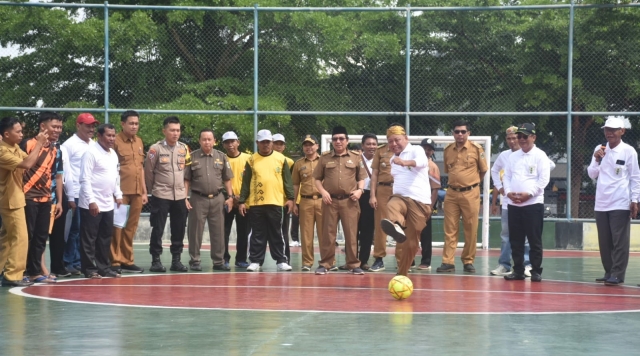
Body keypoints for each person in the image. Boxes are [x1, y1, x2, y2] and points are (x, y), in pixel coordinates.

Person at [587, 116, 640, 286]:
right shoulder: (600, 149)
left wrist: (635, 200)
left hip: (620, 201)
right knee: (605, 241)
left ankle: (618, 273)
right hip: (601, 202)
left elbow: (635, 177)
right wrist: (596, 159)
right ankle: (609, 271)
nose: (609, 133)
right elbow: (591, 174)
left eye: (613, 130)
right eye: (606, 130)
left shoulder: (629, 151)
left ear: (622, 131)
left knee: (619, 241)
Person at [0, 116, 48, 287]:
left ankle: (1, 271)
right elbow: (27, 164)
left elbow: (30, 159)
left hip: (16, 198)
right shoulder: (2, 151)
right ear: (6, 134)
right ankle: (13, 275)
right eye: (18, 131)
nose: (21, 134)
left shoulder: (12, 147)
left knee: (6, 238)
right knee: (20, 237)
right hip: (9, 200)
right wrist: (40, 144)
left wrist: (39, 143)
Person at [238, 129, 294, 272]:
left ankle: (281, 260)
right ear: (257, 143)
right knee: (257, 233)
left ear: (272, 143)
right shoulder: (251, 160)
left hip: (276, 202)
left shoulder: (281, 159)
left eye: (268, 142)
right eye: (262, 142)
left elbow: (287, 181)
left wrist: (290, 198)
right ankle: (255, 261)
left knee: (277, 232)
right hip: (256, 203)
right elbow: (246, 182)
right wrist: (242, 201)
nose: (265, 145)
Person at [313, 126, 366, 275]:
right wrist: (323, 192)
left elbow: (361, 178)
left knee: (351, 234)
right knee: (328, 235)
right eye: (335, 139)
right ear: (332, 141)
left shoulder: (356, 157)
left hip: (350, 201)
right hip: (330, 201)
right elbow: (317, 179)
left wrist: (360, 191)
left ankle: (354, 264)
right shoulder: (324, 158)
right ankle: (325, 264)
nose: (338, 141)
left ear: (347, 141)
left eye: (341, 138)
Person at [380, 126, 432, 276]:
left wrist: (404, 162)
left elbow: (422, 162)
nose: (394, 144)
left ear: (406, 139)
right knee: (392, 204)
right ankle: (396, 226)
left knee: (411, 243)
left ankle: (402, 275)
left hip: (420, 202)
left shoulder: (416, 150)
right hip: (401, 197)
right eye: (390, 141)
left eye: (397, 140)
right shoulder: (391, 159)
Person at [438, 120, 488, 273]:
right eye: (457, 131)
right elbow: (448, 170)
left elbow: (483, 170)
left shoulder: (476, 149)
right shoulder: (448, 150)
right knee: (450, 229)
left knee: (471, 228)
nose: (460, 134)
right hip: (452, 193)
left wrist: (472, 184)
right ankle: (448, 262)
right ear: (453, 133)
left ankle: (468, 260)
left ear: (468, 133)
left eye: (463, 131)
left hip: (470, 193)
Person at [503, 123, 550, 282]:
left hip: (533, 204)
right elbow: (506, 177)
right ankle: (518, 270)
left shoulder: (540, 155)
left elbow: (543, 180)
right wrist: (509, 192)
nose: (521, 140)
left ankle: (536, 270)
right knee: (515, 240)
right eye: (519, 136)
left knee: (534, 239)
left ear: (533, 137)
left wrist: (528, 194)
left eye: (525, 136)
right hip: (514, 204)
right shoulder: (512, 157)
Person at [144, 116, 191, 273]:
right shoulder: (155, 149)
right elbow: (148, 172)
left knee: (178, 228)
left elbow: (186, 172)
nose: (175, 133)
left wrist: (185, 194)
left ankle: (176, 260)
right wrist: (153, 190)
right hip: (161, 194)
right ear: (164, 131)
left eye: (178, 130)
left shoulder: (183, 148)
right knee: (158, 228)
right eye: (172, 130)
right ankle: (156, 260)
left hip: (179, 195)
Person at [23, 112, 64, 283]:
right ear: (42, 126)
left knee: (41, 237)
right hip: (27, 196)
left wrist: (57, 200)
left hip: (46, 198)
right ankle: (21, 271)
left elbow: (55, 175)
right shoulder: (27, 144)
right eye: (54, 126)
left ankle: (34, 272)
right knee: (27, 236)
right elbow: (20, 167)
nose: (57, 130)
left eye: (60, 127)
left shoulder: (55, 149)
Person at [185, 129, 234, 271]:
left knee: (218, 231)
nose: (207, 142)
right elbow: (186, 180)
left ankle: (218, 261)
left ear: (214, 141)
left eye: (209, 139)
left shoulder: (222, 157)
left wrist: (230, 197)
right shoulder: (192, 157)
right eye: (204, 139)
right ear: (200, 141)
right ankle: (195, 260)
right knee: (195, 231)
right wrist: (184, 197)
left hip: (218, 198)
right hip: (197, 198)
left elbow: (227, 179)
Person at [78, 124, 123, 279]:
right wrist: (91, 201)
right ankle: (89, 269)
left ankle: (104, 267)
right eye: (108, 135)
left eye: (113, 135)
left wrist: (118, 194)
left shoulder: (113, 154)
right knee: (89, 238)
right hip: (92, 203)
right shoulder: (90, 153)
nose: (112, 139)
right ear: (99, 136)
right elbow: (84, 179)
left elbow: (115, 177)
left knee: (105, 237)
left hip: (108, 203)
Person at [490, 126, 532, 276]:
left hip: (528, 202)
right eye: (509, 138)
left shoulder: (532, 153)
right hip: (509, 203)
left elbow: (549, 165)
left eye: (515, 137)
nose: (512, 141)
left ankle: (527, 265)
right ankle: (504, 265)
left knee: (526, 235)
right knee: (506, 234)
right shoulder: (504, 155)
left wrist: (532, 187)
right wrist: (500, 188)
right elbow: (494, 171)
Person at [62, 113, 99, 275]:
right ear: (78, 126)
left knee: (85, 230)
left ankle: (78, 261)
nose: (91, 129)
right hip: (76, 192)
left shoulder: (94, 144)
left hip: (89, 193)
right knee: (74, 229)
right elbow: (65, 172)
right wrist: (70, 195)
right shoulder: (69, 145)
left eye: (93, 126)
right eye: (87, 125)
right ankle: (68, 261)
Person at [110, 110, 146, 274]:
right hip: (121, 192)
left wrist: (144, 192)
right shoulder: (115, 141)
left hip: (137, 192)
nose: (134, 126)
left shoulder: (139, 141)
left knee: (131, 227)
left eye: (136, 123)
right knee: (117, 227)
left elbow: (141, 168)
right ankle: (115, 260)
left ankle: (127, 260)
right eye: (131, 123)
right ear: (122, 124)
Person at [369, 125, 400, 272]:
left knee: (401, 224)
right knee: (381, 224)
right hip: (382, 190)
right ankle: (379, 258)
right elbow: (374, 174)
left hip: (400, 191)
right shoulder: (381, 151)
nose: (393, 142)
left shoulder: (408, 151)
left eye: (397, 138)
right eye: (390, 138)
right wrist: (373, 195)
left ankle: (403, 258)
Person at [292, 135, 323, 271]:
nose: (308, 147)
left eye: (311, 144)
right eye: (305, 145)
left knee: (325, 233)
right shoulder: (299, 163)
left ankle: (327, 261)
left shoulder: (324, 161)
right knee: (306, 234)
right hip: (305, 201)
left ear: (317, 146)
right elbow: (295, 184)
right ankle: (307, 262)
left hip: (323, 201)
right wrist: (294, 203)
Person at [221, 131, 251, 269]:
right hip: (227, 201)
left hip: (243, 202)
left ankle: (241, 259)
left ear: (238, 142)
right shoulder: (221, 159)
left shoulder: (248, 158)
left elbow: (252, 180)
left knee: (243, 231)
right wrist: (230, 197)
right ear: (223, 145)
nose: (230, 144)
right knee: (224, 231)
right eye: (227, 142)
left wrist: (242, 198)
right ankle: (224, 258)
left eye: (233, 141)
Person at [418, 138, 441, 270]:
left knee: (425, 234)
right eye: (424, 148)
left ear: (432, 151)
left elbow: (435, 189)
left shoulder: (432, 167)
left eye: (429, 149)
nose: (426, 151)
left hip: (425, 204)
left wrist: (429, 207)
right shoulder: (413, 163)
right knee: (410, 233)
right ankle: (410, 260)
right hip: (412, 202)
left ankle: (426, 261)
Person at [356, 133, 378, 270]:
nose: (372, 146)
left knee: (367, 230)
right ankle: (351, 260)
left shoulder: (380, 160)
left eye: (374, 144)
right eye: (368, 144)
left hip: (371, 196)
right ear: (363, 145)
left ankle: (363, 260)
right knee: (351, 229)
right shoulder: (355, 158)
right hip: (356, 195)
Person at [272, 133, 295, 262]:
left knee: (283, 232)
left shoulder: (289, 162)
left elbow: (291, 183)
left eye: (281, 144)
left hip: (282, 202)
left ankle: (285, 258)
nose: (278, 146)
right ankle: (257, 260)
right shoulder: (262, 159)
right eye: (276, 143)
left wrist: (290, 199)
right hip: (267, 201)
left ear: (284, 146)